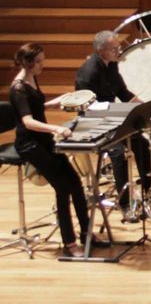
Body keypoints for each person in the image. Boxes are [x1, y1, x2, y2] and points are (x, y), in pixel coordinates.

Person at [8, 43, 93, 255]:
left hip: (44, 140)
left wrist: (52, 104)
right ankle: (69, 243)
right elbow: (27, 121)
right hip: (30, 144)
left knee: (75, 182)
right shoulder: (18, 88)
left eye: (42, 61)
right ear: (27, 64)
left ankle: (87, 234)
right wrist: (56, 127)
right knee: (62, 188)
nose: (42, 66)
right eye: (38, 62)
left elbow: (34, 108)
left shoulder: (32, 79)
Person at [75, 31, 151, 221]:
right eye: (114, 49)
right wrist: (117, 113)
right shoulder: (88, 72)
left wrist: (146, 108)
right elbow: (86, 107)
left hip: (111, 118)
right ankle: (124, 204)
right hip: (93, 122)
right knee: (119, 154)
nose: (119, 51)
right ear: (101, 50)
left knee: (141, 143)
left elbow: (123, 92)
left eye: (118, 48)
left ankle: (149, 192)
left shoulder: (111, 65)